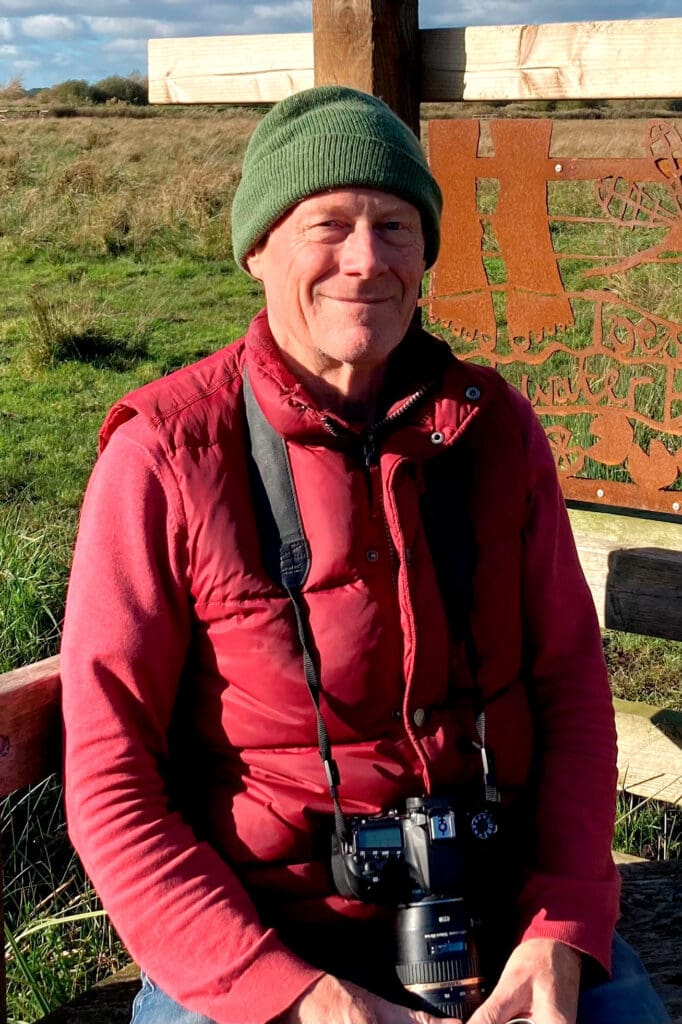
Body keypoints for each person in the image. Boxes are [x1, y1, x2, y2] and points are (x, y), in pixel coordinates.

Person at [60, 86, 670, 1024]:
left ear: (427, 251)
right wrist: (292, 994)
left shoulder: (494, 429)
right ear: (258, 248)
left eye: (395, 225)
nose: (367, 259)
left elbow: (572, 689)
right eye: (328, 224)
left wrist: (563, 924)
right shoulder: (166, 457)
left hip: (504, 917)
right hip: (260, 938)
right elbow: (110, 778)